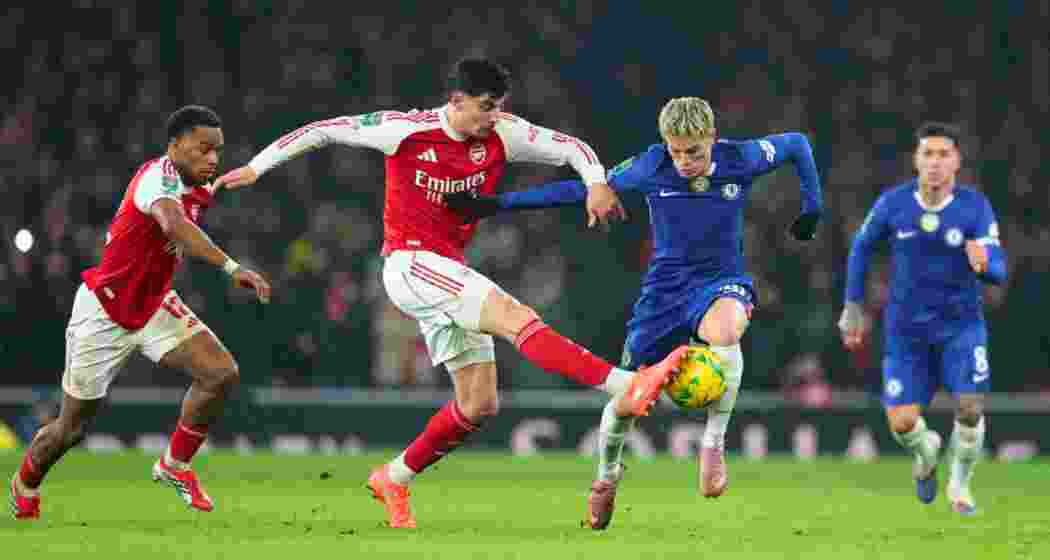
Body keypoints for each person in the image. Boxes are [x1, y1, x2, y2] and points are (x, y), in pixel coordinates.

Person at [214, 58, 687, 529]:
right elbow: (321, 130)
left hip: (448, 269)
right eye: (485, 107)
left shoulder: (504, 132)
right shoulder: (404, 130)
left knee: (479, 404)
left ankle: (393, 478)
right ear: (456, 101)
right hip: (410, 263)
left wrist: (597, 183)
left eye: (498, 107)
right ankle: (625, 384)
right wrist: (257, 168)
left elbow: (574, 149)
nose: (492, 117)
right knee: (513, 314)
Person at [446, 97, 823, 529]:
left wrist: (812, 208)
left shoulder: (742, 158)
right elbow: (583, 190)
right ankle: (606, 479)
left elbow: (796, 144)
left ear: (712, 140)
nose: (683, 161)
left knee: (727, 328)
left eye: (694, 151)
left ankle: (713, 444)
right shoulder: (650, 166)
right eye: (675, 150)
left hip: (720, 281)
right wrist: (496, 204)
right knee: (626, 402)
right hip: (663, 296)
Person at [10, 105, 272, 520]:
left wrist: (227, 180)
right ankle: (25, 482)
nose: (213, 159)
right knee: (70, 429)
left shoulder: (198, 183)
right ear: (175, 145)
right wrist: (231, 266)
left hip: (153, 305)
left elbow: (198, 198)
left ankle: (174, 465)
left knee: (221, 372)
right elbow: (173, 224)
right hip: (104, 310)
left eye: (217, 151)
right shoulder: (156, 179)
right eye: (204, 149)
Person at [838, 122, 1006, 516]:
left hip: (960, 326)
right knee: (901, 423)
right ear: (916, 160)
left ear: (957, 161)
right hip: (906, 333)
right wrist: (852, 304)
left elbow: (997, 263)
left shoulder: (974, 207)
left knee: (970, 407)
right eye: (927, 154)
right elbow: (861, 250)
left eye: (943, 154)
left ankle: (960, 489)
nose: (934, 162)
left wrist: (985, 266)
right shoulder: (893, 204)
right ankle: (926, 450)